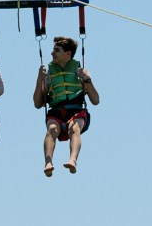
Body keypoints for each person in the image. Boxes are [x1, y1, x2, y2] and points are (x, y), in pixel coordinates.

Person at [33, 35, 101, 176]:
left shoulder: (79, 72)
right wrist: (39, 80)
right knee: (52, 129)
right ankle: (48, 162)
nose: (52, 53)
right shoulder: (48, 73)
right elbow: (37, 103)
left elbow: (96, 100)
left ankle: (73, 160)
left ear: (68, 54)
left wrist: (87, 79)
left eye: (56, 50)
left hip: (76, 109)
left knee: (74, 128)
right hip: (56, 111)